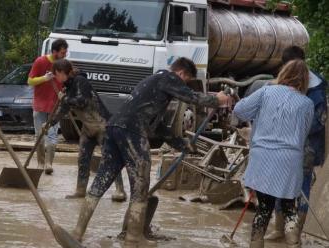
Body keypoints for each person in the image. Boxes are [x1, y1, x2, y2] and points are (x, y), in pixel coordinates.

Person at [71, 57, 230, 246]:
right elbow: (192, 97)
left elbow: (157, 125)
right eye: (185, 81)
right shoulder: (169, 78)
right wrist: (216, 100)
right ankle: (133, 238)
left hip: (113, 127)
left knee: (102, 180)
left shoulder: (153, 82)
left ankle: (77, 233)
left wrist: (180, 143)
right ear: (181, 73)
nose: (183, 84)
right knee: (141, 184)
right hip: (132, 131)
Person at [233, 59, 314, 248]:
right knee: (289, 207)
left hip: (263, 157)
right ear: (304, 80)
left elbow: (239, 110)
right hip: (290, 159)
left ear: (284, 73)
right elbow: (303, 133)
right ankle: (294, 244)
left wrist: (259, 116)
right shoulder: (307, 103)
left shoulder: (266, 92)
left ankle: (256, 244)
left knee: (264, 207)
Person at [265, 46, 327, 242]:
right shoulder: (285, 83)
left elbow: (319, 122)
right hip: (283, 144)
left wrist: (294, 128)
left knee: (301, 188)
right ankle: (279, 229)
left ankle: (295, 233)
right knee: (279, 185)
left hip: (306, 146)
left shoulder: (316, 90)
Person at [50, 59, 127, 201]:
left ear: (61, 72)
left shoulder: (81, 81)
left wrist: (66, 99)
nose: (55, 78)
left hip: (102, 125)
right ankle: (80, 191)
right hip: (87, 128)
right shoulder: (67, 88)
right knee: (83, 159)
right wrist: (50, 123)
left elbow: (82, 101)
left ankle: (120, 190)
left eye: (56, 74)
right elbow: (63, 109)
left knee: (110, 158)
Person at [28, 39, 68, 175]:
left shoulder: (64, 65)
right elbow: (30, 81)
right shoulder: (40, 61)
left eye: (65, 52)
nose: (65, 55)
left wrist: (65, 93)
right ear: (55, 52)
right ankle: (40, 163)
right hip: (39, 105)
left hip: (55, 106)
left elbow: (67, 83)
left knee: (52, 137)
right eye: (62, 52)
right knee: (39, 135)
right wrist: (44, 78)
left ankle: (49, 164)